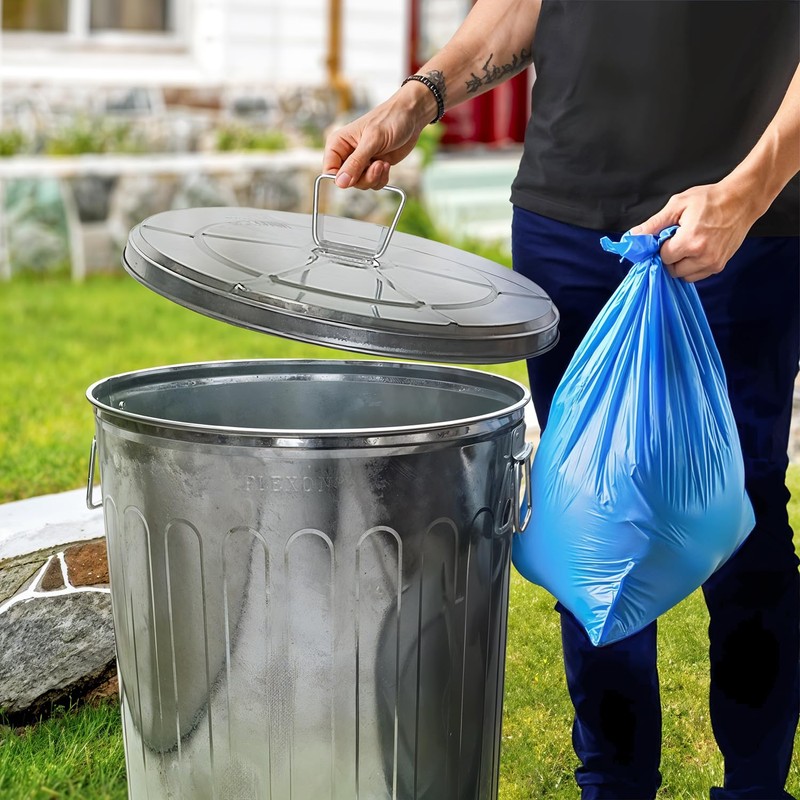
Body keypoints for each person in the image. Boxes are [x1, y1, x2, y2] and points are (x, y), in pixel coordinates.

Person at [322, 1, 800, 798]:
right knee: (585, 508)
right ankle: (612, 785)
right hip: (567, 212)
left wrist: (749, 193)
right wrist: (421, 95)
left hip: (742, 224)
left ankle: (754, 788)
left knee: (742, 511)